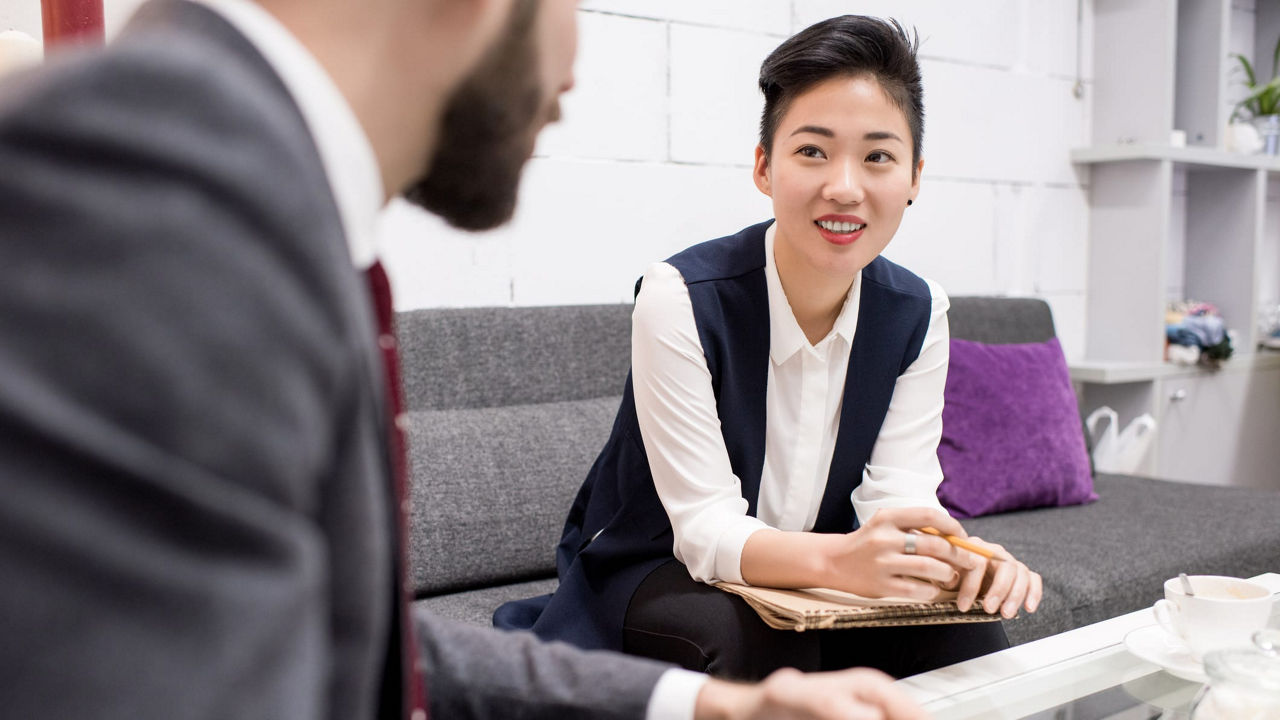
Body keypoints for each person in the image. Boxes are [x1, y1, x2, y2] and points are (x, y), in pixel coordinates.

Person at [0, 0, 930, 718]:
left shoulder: (262, 187)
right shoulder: (147, 179)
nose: (573, 73)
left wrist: (708, 703)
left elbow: (341, 636)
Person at [496, 15, 1043, 681]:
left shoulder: (919, 312)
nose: (845, 185)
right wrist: (842, 562)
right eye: (813, 151)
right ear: (764, 166)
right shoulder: (680, 296)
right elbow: (702, 531)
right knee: (754, 641)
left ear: (914, 177)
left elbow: (898, 497)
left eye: (877, 156)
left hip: (815, 583)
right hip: (659, 568)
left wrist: (959, 559)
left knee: (968, 639)